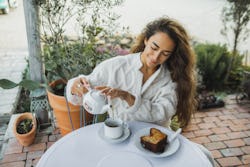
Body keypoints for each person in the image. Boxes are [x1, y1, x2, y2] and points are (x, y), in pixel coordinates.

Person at [66, 16, 215, 166]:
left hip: (159, 144)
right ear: (146, 40)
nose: (156, 57)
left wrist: (127, 97)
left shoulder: (171, 79)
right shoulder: (115, 66)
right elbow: (82, 91)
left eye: (165, 53)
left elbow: (162, 112)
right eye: (154, 47)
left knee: (204, 156)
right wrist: (75, 86)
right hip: (120, 139)